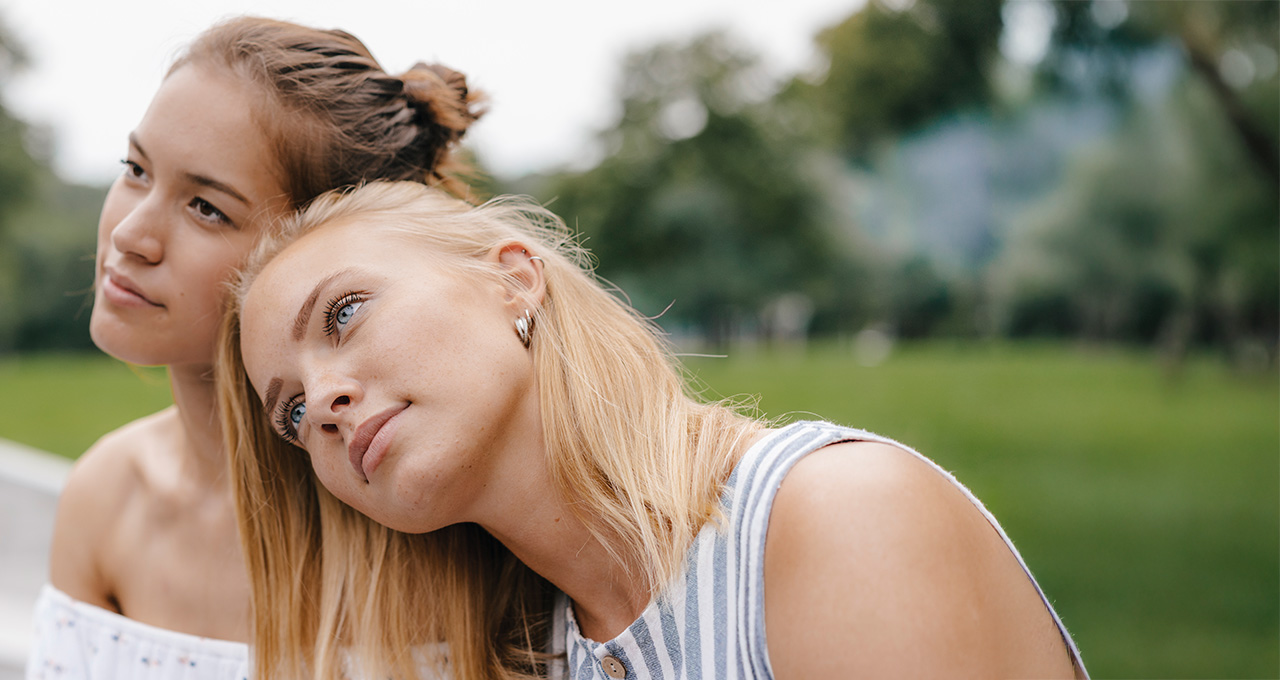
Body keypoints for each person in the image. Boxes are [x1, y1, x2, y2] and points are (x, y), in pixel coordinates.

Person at [220, 180, 1090, 679]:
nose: (323, 402)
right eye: (290, 411)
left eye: (345, 313)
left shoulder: (836, 515)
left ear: (513, 282)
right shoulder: (537, 651)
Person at [29, 17, 485, 680]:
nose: (130, 234)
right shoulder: (107, 497)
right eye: (135, 169)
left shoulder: (435, 525)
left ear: (321, 248)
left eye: (206, 208)